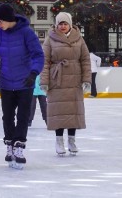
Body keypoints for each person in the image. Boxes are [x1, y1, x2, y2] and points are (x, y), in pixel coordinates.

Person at [0, 3, 44, 169]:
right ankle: (9, 146)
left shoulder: (27, 33)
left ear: (9, 20)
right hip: (6, 82)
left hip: (25, 83)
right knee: (7, 116)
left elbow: (38, 55)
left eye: (0, 21)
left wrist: (33, 73)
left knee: (23, 117)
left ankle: (19, 147)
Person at [40, 12, 91, 156]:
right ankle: (59, 141)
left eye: (65, 23)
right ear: (56, 25)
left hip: (75, 80)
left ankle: (71, 140)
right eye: (60, 24)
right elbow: (44, 62)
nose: (63, 26)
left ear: (70, 24)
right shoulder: (50, 39)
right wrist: (44, 81)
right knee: (59, 112)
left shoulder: (79, 39)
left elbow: (85, 60)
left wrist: (87, 79)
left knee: (72, 112)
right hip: (58, 80)